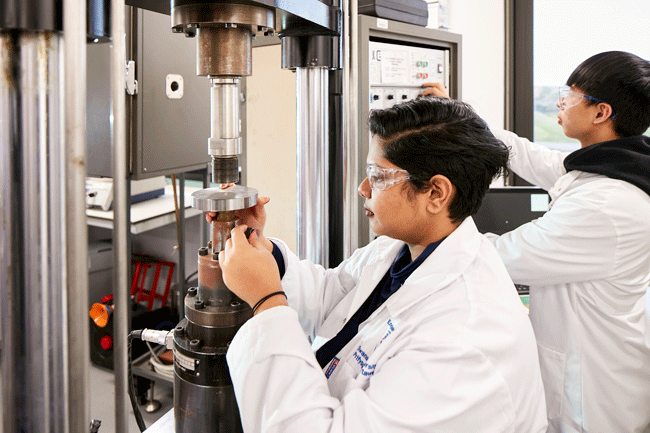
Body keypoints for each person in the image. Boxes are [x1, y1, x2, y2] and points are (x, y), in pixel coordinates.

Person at [210, 96, 548, 432]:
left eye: (378, 176)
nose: (363, 188)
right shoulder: (405, 247)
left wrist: (267, 302)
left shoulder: (463, 344)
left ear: (436, 193)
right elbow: (334, 297)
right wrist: (261, 249)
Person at [424, 50, 650, 433]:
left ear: (601, 112)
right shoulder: (610, 165)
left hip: (594, 390)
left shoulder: (605, 204)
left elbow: (503, 256)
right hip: (596, 359)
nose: (560, 102)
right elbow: (526, 155)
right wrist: (455, 114)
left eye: (571, 94)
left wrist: (420, 221)